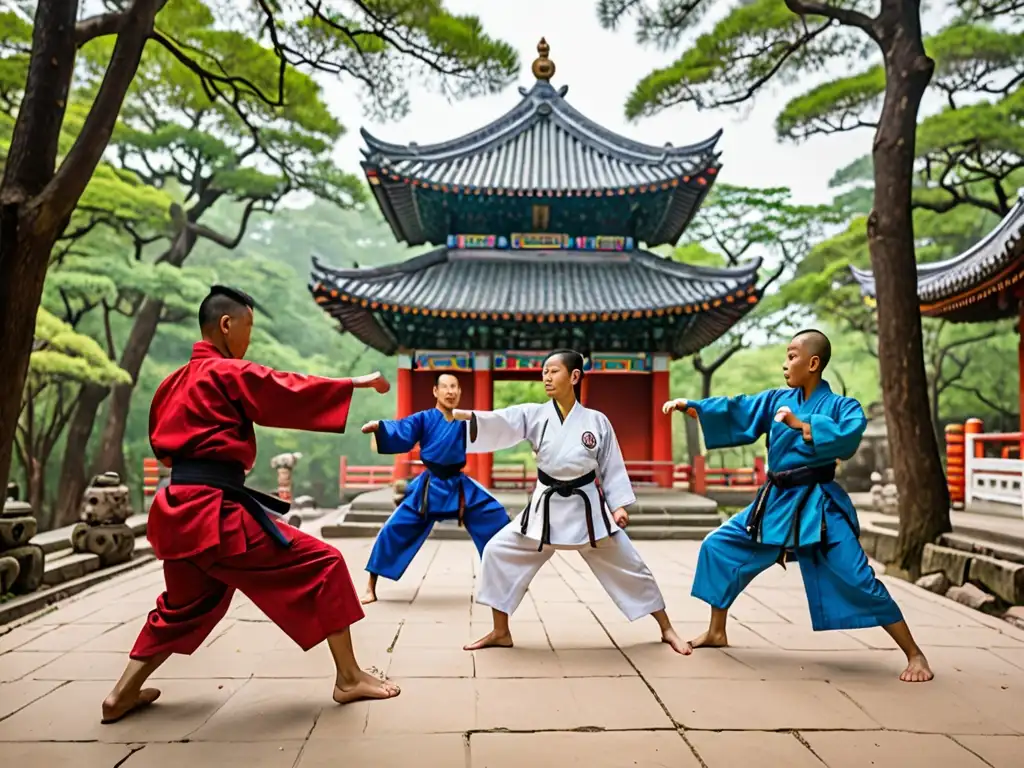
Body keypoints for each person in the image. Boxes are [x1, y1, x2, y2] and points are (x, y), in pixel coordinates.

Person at [101, 285, 401, 725]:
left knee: (186, 604)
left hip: (175, 508)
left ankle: (120, 695)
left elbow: (166, 449)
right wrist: (353, 383)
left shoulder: (172, 383)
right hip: (212, 514)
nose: (248, 340)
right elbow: (282, 388)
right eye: (248, 328)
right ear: (226, 324)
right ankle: (350, 677)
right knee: (326, 563)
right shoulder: (224, 373)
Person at [663, 329, 934, 683]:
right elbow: (739, 408)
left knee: (858, 577)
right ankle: (717, 630)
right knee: (719, 546)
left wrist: (802, 424)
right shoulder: (778, 398)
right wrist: (694, 407)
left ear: (814, 362)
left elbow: (848, 437)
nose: (785, 363)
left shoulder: (842, 406)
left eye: (792, 356)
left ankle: (915, 654)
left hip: (818, 503)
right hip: (775, 500)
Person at [454, 349, 690, 654]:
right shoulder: (535, 415)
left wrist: (617, 506)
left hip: (588, 512)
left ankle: (666, 628)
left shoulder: (596, 421)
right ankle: (501, 631)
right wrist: (462, 418)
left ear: (574, 376)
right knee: (498, 551)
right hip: (545, 510)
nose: (546, 377)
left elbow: (611, 464)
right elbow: (502, 421)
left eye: (553, 371)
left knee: (631, 565)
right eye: (544, 373)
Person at [359, 372, 510, 603]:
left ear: (459, 392)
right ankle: (371, 585)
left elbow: (494, 428)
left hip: (459, 487)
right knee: (393, 529)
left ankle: (505, 579)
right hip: (429, 489)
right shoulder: (424, 419)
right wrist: (380, 427)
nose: (450, 392)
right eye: (446, 387)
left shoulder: (465, 420)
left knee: (496, 517)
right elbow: (402, 429)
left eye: (454, 387)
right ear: (435, 392)